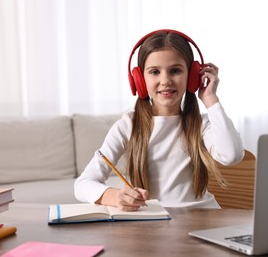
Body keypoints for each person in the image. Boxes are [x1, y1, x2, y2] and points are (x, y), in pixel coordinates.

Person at [74, 29, 244, 211]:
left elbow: (232, 155)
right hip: (154, 223)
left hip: (203, 219)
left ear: (193, 76)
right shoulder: (129, 125)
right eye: (154, 72)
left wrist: (210, 98)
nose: (165, 80)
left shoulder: (202, 125)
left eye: (175, 70)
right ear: (139, 79)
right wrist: (115, 196)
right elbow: (82, 184)